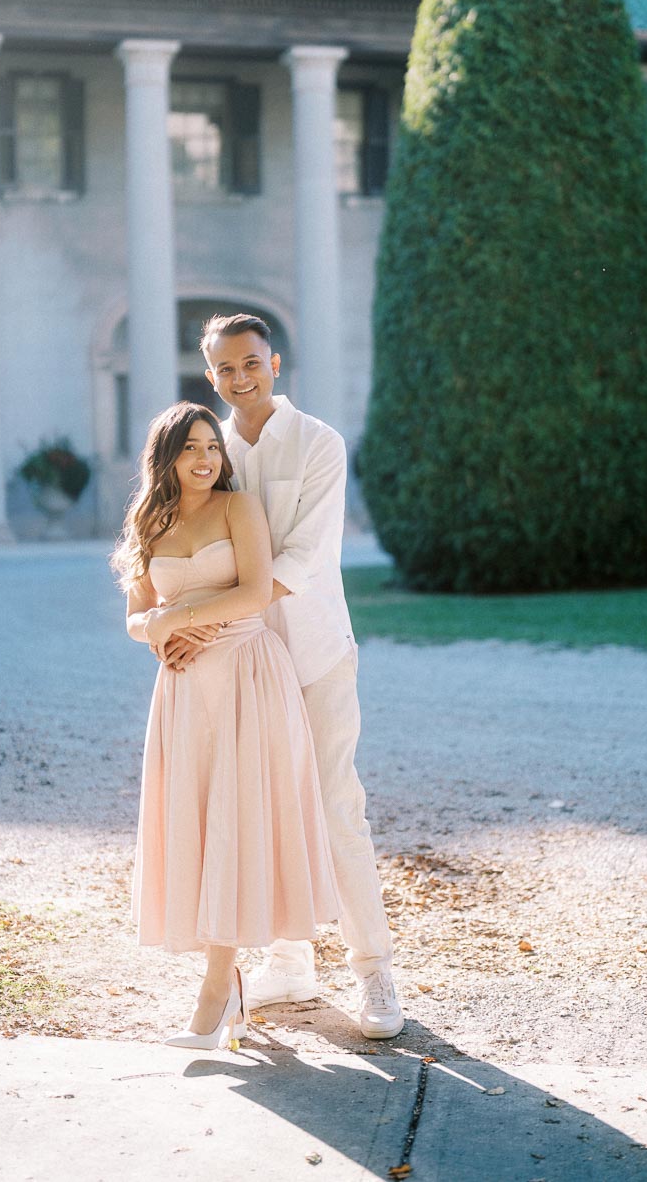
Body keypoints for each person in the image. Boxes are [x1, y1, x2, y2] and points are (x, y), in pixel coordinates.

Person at [162, 313, 403, 1039]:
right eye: (225, 369)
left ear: (274, 363)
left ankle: (374, 969)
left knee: (334, 806)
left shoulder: (320, 442)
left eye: (251, 363)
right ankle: (290, 961)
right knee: (259, 811)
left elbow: (305, 555)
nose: (240, 378)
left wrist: (200, 619)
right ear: (211, 377)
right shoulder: (211, 448)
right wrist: (176, 626)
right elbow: (184, 544)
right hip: (238, 666)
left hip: (314, 653)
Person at [111, 401, 339, 1051]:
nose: (206, 458)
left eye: (213, 446)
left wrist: (180, 619)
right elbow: (136, 616)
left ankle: (215, 996)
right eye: (190, 447)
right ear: (166, 457)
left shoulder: (240, 509)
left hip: (246, 673)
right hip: (183, 687)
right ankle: (226, 989)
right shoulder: (149, 522)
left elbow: (256, 592)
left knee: (236, 821)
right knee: (199, 823)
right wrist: (161, 632)